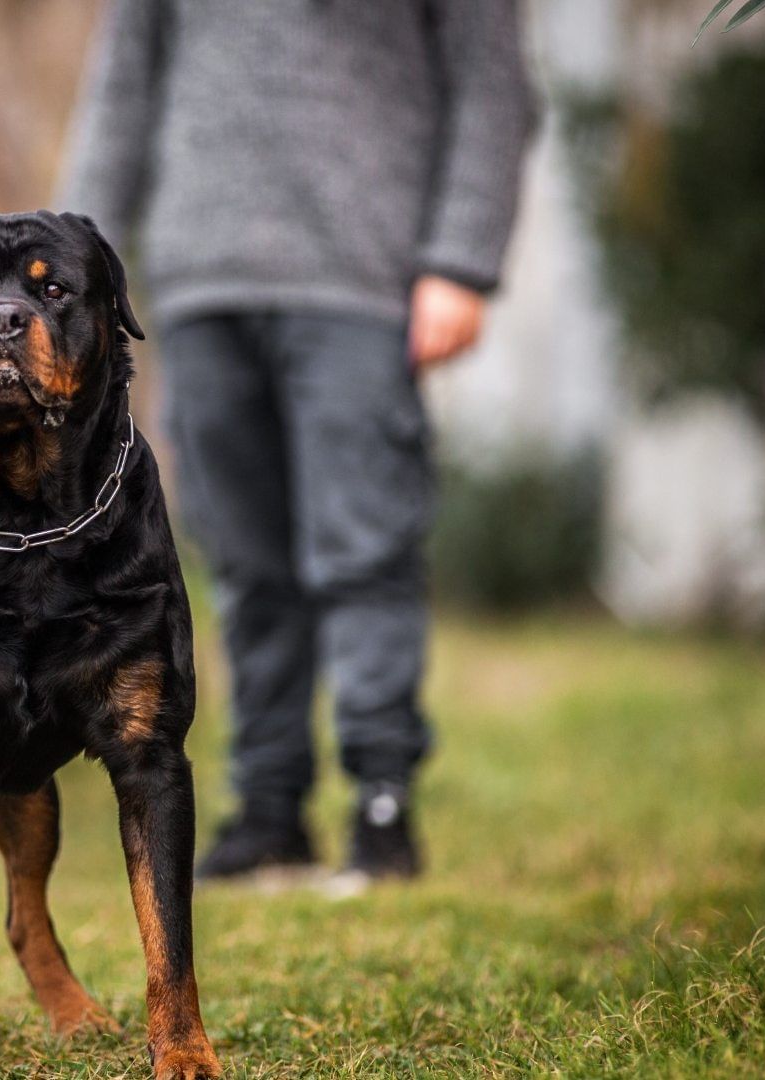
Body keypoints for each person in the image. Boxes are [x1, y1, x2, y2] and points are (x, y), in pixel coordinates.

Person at [57, 0, 537, 887]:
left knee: (364, 549)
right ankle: (270, 808)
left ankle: (381, 803)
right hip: (200, 284)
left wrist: (462, 259)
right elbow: (119, 92)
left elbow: (493, 84)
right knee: (241, 559)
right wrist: (65, 272)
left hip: (363, 279)